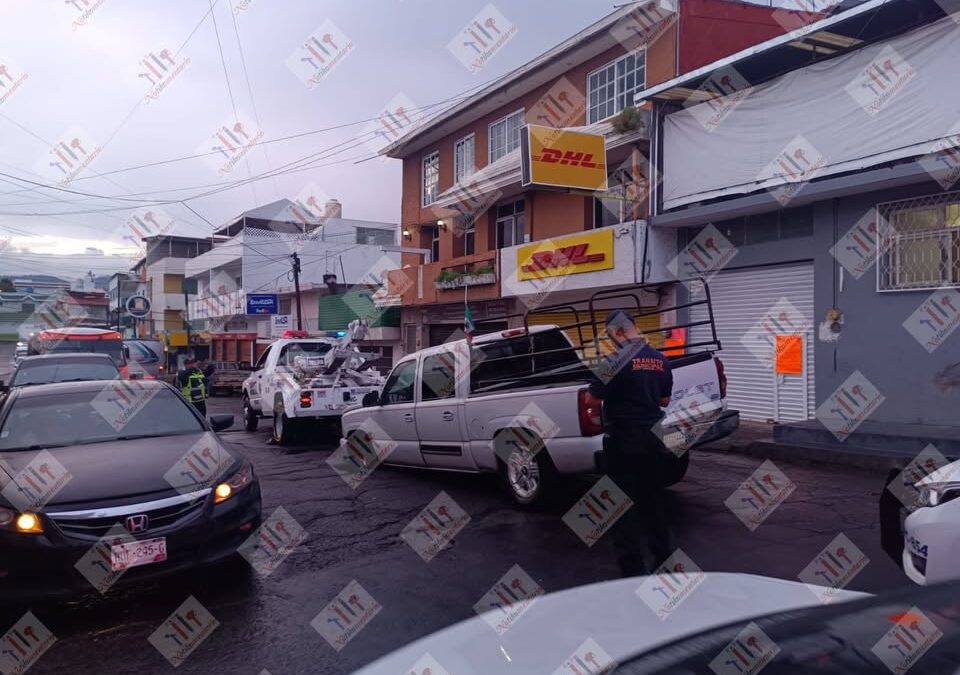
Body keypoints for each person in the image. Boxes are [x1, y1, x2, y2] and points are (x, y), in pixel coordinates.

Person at [588, 309, 674, 577]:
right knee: (655, 504)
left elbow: (591, 400)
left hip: (624, 442)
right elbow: (664, 401)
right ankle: (664, 565)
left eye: (611, 336)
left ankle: (632, 574)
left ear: (617, 332)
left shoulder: (613, 361)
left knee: (622, 509)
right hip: (654, 440)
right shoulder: (661, 359)